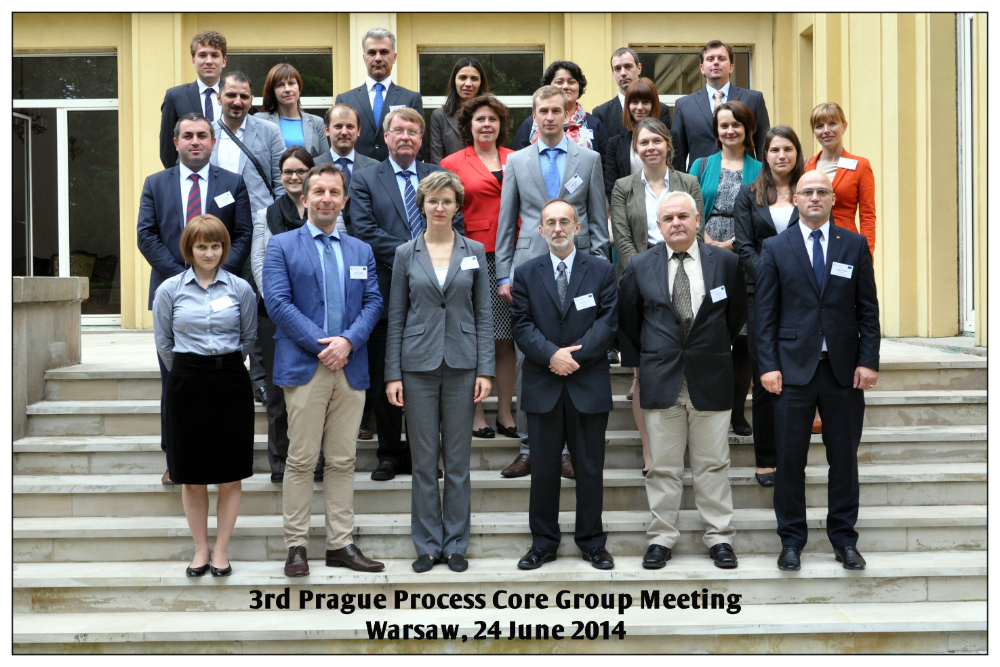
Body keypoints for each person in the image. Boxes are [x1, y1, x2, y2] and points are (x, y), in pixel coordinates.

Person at [754, 170, 880, 572]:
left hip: (844, 371)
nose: (814, 197)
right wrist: (768, 366)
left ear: (832, 199)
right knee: (790, 461)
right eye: (806, 191)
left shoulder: (854, 245)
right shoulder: (776, 247)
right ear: (795, 199)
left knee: (844, 460)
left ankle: (844, 540)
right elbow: (764, 315)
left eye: (821, 191)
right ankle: (791, 540)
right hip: (792, 372)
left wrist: (868, 360)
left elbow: (868, 310)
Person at [263, 163, 384, 576]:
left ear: (344, 201)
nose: (326, 199)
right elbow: (278, 303)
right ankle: (296, 546)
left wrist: (347, 341)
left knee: (343, 460)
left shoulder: (360, 250)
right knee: (300, 460)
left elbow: (373, 303)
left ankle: (340, 544)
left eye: (334, 192)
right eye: (318, 192)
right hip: (305, 366)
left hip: (350, 366)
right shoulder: (281, 246)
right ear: (305, 198)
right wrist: (324, 345)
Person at [619, 191, 748, 571]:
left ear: (697, 220)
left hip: (711, 375)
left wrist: (711, 348)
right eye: (668, 218)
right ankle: (661, 538)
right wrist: (643, 366)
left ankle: (719, 537)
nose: (676, 223)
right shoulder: (639, 265)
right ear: (658, 226)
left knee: (713, 464)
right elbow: (629, 322)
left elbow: (736, 315)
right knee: (663, 466)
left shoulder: (726, 263)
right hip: (661, 378)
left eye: (682, 216)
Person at [495, 85, 609, 479]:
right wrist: (504, 273)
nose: (548, 117)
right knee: (531, 359)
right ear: (534, 115)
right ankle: (530, 447)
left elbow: (597, 221)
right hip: (529, 269)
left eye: (556, 110)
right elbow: (507, 220)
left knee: (574, 352)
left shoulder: (589, 159)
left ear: (568, 114)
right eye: (542, 110)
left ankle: (568, 450)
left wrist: (599, 269)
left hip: (580, 271)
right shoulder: (516, 161)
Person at [385, 171, 495, 573]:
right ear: (422, 205)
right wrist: (392, 374)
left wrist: (486, 369)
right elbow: (396, 316)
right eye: (432, 200)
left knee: (459, 461)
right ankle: (428, 545)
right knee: (424, 461)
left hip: (464, 365)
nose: (439, 207)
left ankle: (456, 544)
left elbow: (484, 314)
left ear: (457, 206)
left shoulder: (474, 250)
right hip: (417, 366)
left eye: (447, 201)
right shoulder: (405, 253)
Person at [137, 113, 252, 485]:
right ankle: (175, 458)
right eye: (188, 135)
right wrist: (183, 280)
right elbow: (146, 235)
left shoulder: (232, 182)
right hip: (174, 297)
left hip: (224, 292)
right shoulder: (156, 183)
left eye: (203, 135)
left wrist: (217, 275)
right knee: (174, 382)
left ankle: (219, 457)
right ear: (176, 143)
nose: (196, 141)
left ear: (213, 142)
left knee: (220, 389)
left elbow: (243, 234)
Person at [350, 107, 464, 481]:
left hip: (435, 296)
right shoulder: (365, 179)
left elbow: (457, 223)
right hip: (384, 293)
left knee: (427, 378)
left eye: (413, 131)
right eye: (398, 130)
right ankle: (388, 453)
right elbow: (365, 231)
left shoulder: (438, 175)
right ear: (385, 136)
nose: (405, 137)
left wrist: (430, 256)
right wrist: (418, 254)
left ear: (420, 138)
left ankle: (422, 454)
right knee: (387, 374)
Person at [509, 199, 618, 571]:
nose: (558, 228)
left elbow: (608, 322)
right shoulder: (525, 273)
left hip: (588, 383)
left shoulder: (602, 270)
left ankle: (592, 543)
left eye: (564, 222)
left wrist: (573, 357)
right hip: (543, 383)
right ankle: (543, 543)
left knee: (589, 468)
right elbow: (522, 325)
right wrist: (551, 355)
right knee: (542, 470)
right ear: (541, 230)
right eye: (551, 223)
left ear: (578, 227)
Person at [153, 215, 256, 578]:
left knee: (229, 475)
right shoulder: (169, 290)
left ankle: (222, 550)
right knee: (192, 475)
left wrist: (222, 366)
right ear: (189, 249)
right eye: (201, 246)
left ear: (224, 248)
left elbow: (248, 337)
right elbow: (164, 342)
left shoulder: (240, 288)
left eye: (215, 246)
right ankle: (201, 549)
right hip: (187, 384)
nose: (209, 253)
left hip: (230, 382)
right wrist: (190, 370)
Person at [610, 118, 705, 474]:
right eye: (643, 142)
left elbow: (697, 229)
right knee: (643, 375)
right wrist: (648, 276)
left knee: (688, 369)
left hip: (685, 275)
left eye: (656, 141)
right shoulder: (623, 187)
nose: (650, 147)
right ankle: (651, 451)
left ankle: (687, 449)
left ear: (668, 145)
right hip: (640, 282)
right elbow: (622, 239)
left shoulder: (688, 182)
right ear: (635, 148)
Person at [440, 95, 517, 439]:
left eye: (493, 119)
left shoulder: (516, 158)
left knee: (506, 339)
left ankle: (506, 413)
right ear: (468, 126)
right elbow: (447, 211)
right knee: (475, 336)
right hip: (474, 256)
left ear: (501, 125)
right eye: (480, 119)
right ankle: (476, 414)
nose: (487, 124)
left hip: (513, 255)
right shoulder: (452, 162)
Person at [733, 126, 805, 487]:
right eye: (775, 149)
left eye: (788, 149)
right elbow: (744, 246)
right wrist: (773, 275)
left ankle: (791, 458)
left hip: (802, 296)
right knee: (764, 380)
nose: (781, 155)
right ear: (765, 154)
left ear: (797, 153)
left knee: (797, 380)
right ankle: (765, 460)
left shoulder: (808, 191)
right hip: (758, 293)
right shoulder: (749, 194)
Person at [251, 146, 327, 483]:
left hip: (317, 314)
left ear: (311, 174)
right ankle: (280, 460)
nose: (294, 177)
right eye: (288, 172)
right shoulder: (265, 214)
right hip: (274, 315)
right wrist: (278, 303)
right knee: (278, 390)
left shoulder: (324, 209)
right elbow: (258, 261)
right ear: (279, 176)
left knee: (317, 390)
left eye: (300, 171)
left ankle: (316, 459)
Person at [690, 100, 762, 437]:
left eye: (736, 124)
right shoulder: (702, 164)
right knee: (709, 334)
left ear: (748, 129)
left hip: (745, 254)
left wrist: (733, 244)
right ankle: (707, 408)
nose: (730, 130)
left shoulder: (760, 169)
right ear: (716, 131)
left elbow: (761, 215)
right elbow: (688, 207)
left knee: (743, 339)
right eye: (724, 125)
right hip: (703, 252)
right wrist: (708, 241)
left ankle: (736, 412)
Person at [671, 40, 770, 172]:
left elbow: (763, 146)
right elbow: (677, 155)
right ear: (702, 68)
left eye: (721, 58)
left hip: (746, 178)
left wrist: (765, 179)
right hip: (700, 178)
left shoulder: (753, 99)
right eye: (710, 59)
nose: (716, 62)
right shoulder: (684, 105)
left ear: (731, 67)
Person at [335, 28, 424, 162]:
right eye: (372, 52)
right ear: (364, 58)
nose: (378, 58)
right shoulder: (345, 99)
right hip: (357, 172)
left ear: (394, 57)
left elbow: (420, 146)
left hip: (396, 172)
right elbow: (337, 144)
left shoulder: (411, 99)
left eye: (384, 52)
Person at [211, 71, 286, 219]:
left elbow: (282, 181)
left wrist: (277, 218)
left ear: (251, 100)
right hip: (215, 220)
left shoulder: (270, 131)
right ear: (219, 98)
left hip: (259, 220)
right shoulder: (205, 133)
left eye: (244, 97)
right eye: (231, 95)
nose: (237, 102)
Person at [805, 102, 876, 257]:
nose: (826, 130)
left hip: (847, 245)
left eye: (832, 123)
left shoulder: (861, 165)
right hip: (811, 245)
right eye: (819, 126)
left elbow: (868, 216)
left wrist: (867, 254)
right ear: (814, 131)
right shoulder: (805, 167)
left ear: (844, 126)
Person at [512, 61, 609, 165]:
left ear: (579, 86)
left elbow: (604, 165)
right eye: (559, 82)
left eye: (571, 82)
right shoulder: (531, 123)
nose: (565, 86)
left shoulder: (595, 125)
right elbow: (519, 163)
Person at [158, 31, 227, 169]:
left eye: (214, 55)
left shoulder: (236, 96)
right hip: (190, 176)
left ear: (223, 61)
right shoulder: (175, 96)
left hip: (228, 175)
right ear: (193, 60)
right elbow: (167, 148)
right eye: (202, 55)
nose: (209, 61)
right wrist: (176, 177)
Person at [314, 104, 379, 239]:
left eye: (350, 127)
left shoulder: (375, 168)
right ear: (327, 130)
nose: (344, 132)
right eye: (338, 126)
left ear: (358, 131)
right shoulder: (312, 167)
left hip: (365, 242)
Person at [592, 47, 672, 140]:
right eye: (617, 69)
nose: (623, 73)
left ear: (639, 68)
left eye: (628, 67)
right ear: (613, 73)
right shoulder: (601, 113)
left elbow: (667, 144)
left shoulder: (661, 110)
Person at [603, 78, 663, 201]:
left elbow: (676, 177)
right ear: (627, 105)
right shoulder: (615, 143)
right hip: (628, 206)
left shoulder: (670, 138)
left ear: (653, 105)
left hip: (665, 205)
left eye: (645, 102)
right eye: (634, 102)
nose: (639, 107)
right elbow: (611, 185)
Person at [255, 63, 329, 159]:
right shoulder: (260, 120)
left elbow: (324, 160)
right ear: (273, 92)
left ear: (299, 88)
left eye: (291, 83)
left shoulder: (317, 123)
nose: (287, 89)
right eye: (280, 85)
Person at [429, 57, 487, 164]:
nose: (468, 83)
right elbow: (437, 161)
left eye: (474, 78)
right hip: (449, 174)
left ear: (481, 84)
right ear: (454, 81)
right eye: (462, 77)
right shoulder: (439, 116)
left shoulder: (490, 116)